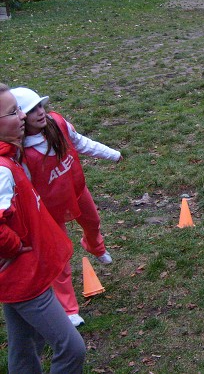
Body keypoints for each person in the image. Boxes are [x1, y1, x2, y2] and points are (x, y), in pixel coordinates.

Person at [11, 87, 122, 327]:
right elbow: (25, 189)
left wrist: (113, 154)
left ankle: (95, 246)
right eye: (32, 110)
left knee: (93, 222)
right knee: (59, 254)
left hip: (75, 190)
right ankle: (69, 308)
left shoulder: (58, 124)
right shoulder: (21, 153)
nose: (40, 112)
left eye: (41, 106)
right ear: (20, 116)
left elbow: (81, 143)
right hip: (49, 209)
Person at [0, 84, 86, 372]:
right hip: (25, 278)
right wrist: (15, 248)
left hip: (24, 276)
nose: (23, 116)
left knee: (25, 349)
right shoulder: (2, 169)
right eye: (13, 112)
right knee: (72, 349)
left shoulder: (11, 156)